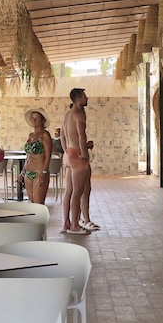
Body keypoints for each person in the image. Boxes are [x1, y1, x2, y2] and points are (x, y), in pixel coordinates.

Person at [61, 88, 97, 234]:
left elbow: (62, 136)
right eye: (84, 96)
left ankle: (66, 223)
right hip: (77, 157)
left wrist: (67, 151)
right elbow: (81, 136)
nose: (87, 98)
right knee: (78, 192)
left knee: (69, 191)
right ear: (78, 99)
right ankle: (75, 225)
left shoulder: (68, 114)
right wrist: (84, 154)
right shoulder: (79, 114)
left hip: (69, 154)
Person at [22, 108, 53, 205]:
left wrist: (43, 173)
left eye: (36, 118)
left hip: (39, 172)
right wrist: (23, 172)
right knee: (32, 204)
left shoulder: (45, 135)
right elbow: (28, 156)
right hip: (28, 173)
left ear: (42, 120)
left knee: (38, 204)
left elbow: (48, 155)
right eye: (32, 118)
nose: (33, 120)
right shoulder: (31, 136)